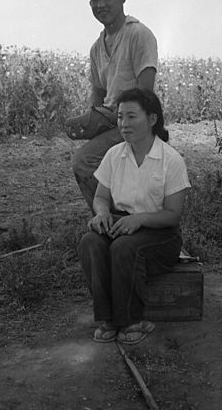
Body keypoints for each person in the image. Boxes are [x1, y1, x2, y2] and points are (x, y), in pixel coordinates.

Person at [77, 88, 191, 345]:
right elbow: (101, 197)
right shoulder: (114, 155)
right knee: (90, 242)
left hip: (159, 236)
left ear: (151, 119)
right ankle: (108, 319)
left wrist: (138, 220)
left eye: (131, 117)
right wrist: (102, 214)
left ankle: (131, 320)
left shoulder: (170, 160)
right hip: (121, 224)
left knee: (124, 248)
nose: (124, 124)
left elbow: (172, 216)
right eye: (119, 118)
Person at [71, 0, 158, 211]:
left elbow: (146, 96)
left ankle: (112, 219)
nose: (100, 5)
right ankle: (113, 219)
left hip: (136, 120)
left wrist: (117, 117)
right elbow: (98, 94)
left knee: (85, 161)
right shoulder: (97, 47)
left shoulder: (138, 35)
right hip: (112, 123)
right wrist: (92, 120)